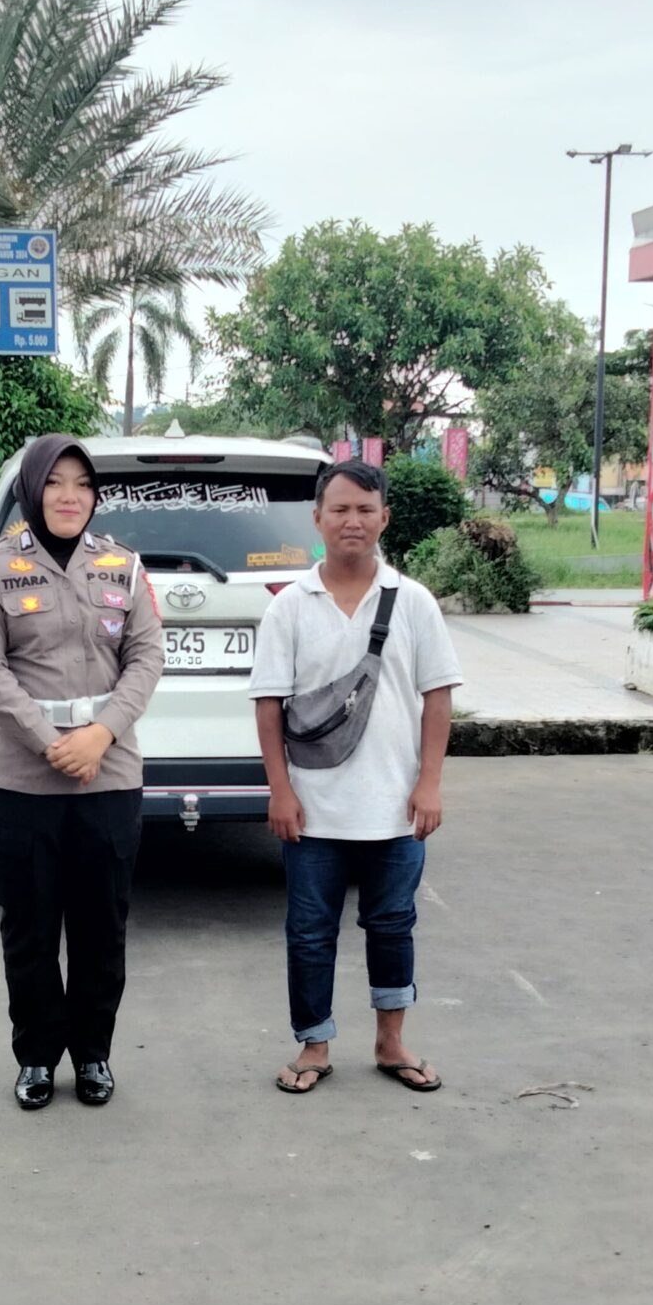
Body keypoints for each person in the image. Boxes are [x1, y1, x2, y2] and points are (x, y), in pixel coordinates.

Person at [0, 435, 165, 1110]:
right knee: (31, 928)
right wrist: (51, 743)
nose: (70, 496)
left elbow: (147, 657)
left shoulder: (122, 567)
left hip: (109, 771)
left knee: (103, 926)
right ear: (30, 490)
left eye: (82, 484)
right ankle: (38, 1057)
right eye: (55, 482)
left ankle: (94, 1053)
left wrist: (101, 733)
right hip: (23, 779)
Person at [247, 458, 463, 1096]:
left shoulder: (413, 602)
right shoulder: (290, 607)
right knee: (310, 933)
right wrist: (280, 790)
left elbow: (438, 697)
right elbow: (268, 705)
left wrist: (429, 783)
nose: (352, 521)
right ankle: (314, 1045)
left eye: (365, 510)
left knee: (393, 926)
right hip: (313, 810)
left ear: (384, 518)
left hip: (395, 808)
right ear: (317, 519)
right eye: (339, 509)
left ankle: (391, 1042)